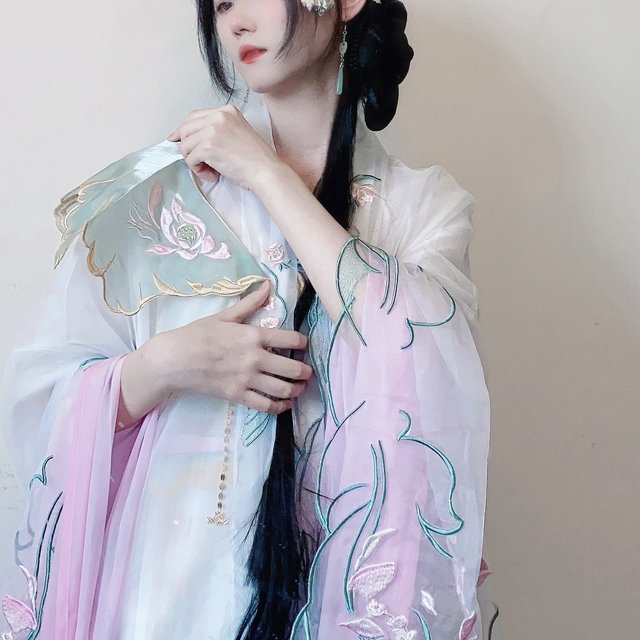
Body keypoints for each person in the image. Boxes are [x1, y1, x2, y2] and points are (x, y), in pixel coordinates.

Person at [0, 0, 499, 638]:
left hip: (345, 592)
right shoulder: (160, 197)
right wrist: (163, 365)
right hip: (162, 587)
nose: (233, 22)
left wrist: (265, 173)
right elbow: (38, 398)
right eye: (221, 4)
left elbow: (429, 373)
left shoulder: (423, 207)